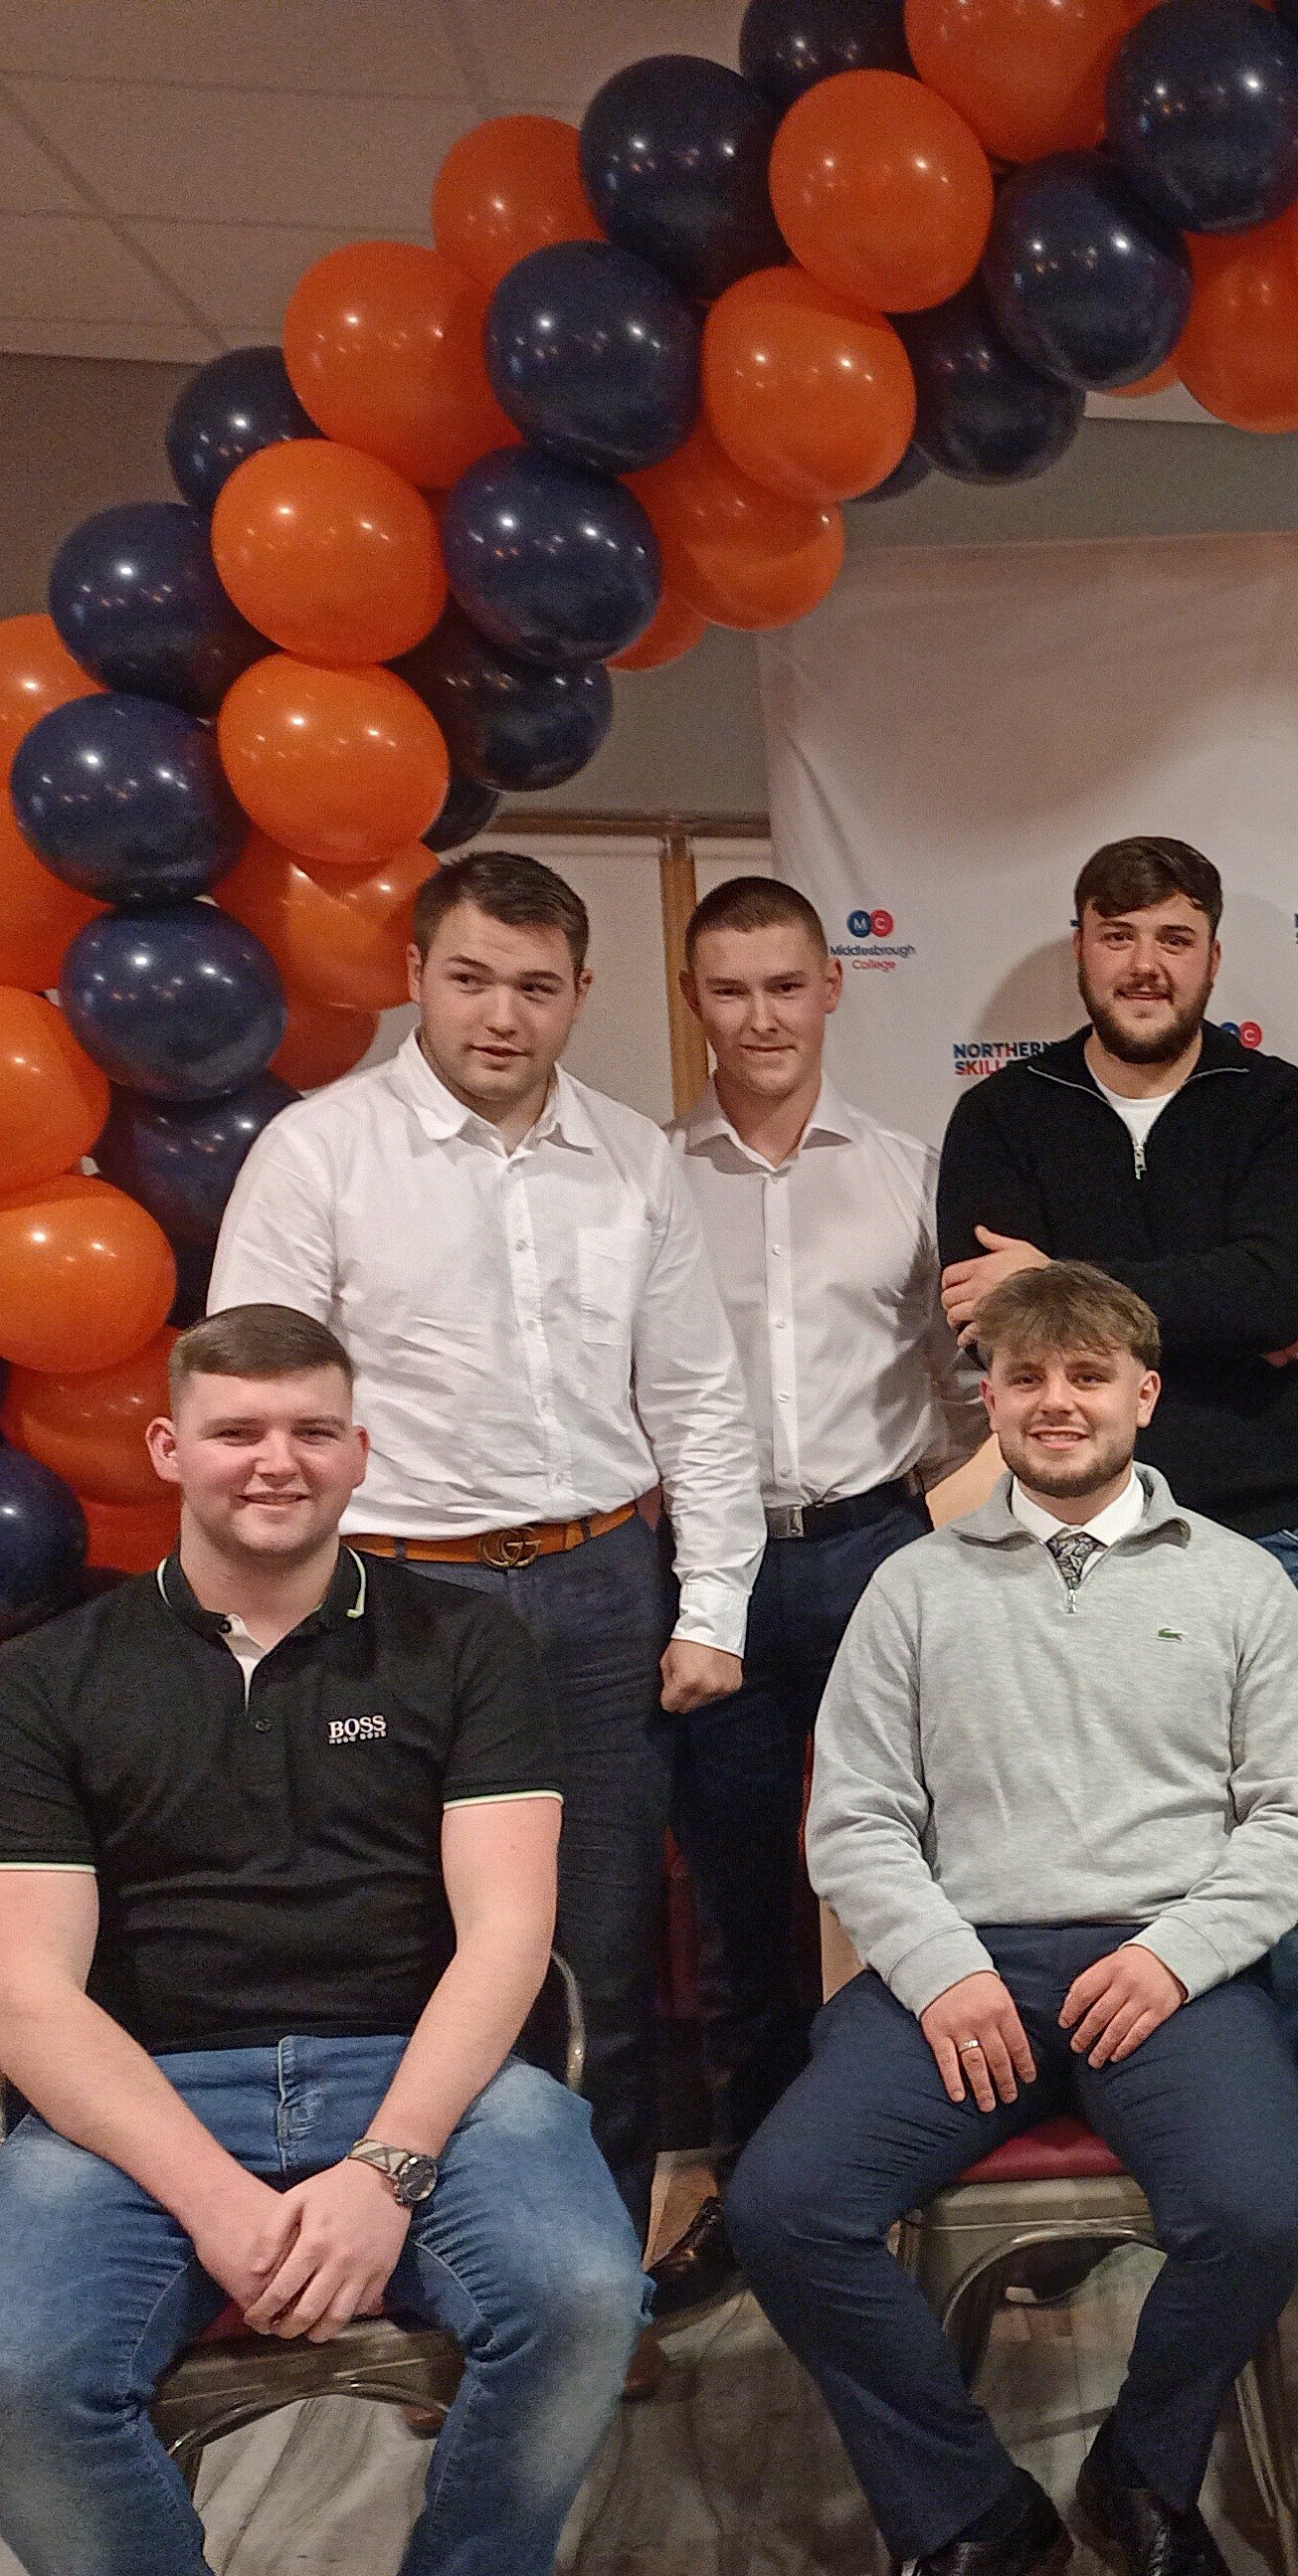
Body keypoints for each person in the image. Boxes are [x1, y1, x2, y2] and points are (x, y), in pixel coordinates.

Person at [0, 1305, 646, 2576]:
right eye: (242, 1430)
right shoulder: (51, 1680)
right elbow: (26, 2001)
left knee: (583, 2290)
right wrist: (211, 2196)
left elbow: (506, 1943)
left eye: (314, 1431)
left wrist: (384, 2170)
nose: (279, 1461)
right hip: (136, 2096)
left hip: (419, 2074)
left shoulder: (465, 1645)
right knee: (12, 2380)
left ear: (359, 1452)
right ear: (171, 1450)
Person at [726, 1262, 1298, 2576]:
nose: (1055, 1402)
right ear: (987, 1399)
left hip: (1166, 1966)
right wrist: (940, 1971)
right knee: (781, 2206)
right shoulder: (914, 1587)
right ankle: (971, 2518)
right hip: (965, 1967)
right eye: (1025, 1378)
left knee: (1261, 2209)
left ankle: (1143, 2476)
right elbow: (858, 1822)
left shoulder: (1239, 1579)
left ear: (1143, 1393)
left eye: (1086, 1377)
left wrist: (1176, 1952)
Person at [213, 848, 763, 2324]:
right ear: (415, 977)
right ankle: (434, 2296)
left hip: (596, 1597)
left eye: (534, 987)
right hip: (389, 1605)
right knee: (400, 1963)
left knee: (599, 1970)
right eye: (470, 978)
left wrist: (710, 1605)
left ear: (582, 995)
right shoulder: (318, 1156)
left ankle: (596, 2304)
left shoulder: (636, 1160)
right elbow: (258, 1416)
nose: (500, 1017)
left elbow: (700, 1398)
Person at [932, 836, 1298, 2122]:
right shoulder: (1001, 1115)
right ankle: (1077, 2144)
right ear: (1080, 946)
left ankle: (1286, 2187)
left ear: (1212, 955)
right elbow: (990, 1329)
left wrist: (1062, 1274)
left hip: (1266, 1539)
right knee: (1060, 1864)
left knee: (1273, 1884)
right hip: (1053, 1553)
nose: (1145, 965)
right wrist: (1208, 1297)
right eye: (1119, 937)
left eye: (1174, 938)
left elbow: (1281, 1284)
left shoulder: (1281, 1106)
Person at [653, 875, 983, 2316]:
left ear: (831, 988)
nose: (761, 1017)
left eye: (785, 985)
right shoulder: (646, 1180)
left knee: (937, 1860)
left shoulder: (912, 1173)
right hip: (709, 1573)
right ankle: (765, 2180)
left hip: (875, 1550)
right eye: (730, 990)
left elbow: (969, 1381)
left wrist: (923, 1494)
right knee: (740, 1894)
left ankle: (939, 2160)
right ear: (694, 998)